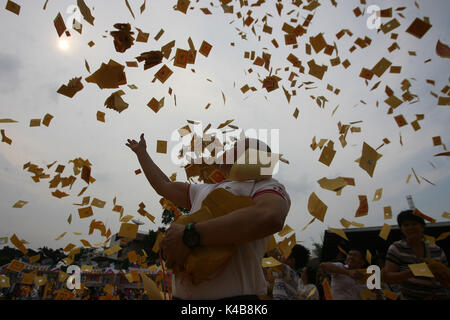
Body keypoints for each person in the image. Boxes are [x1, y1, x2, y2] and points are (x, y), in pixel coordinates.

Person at [126, 134, 291, 299]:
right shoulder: (204, 189)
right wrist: (142, 154)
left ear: (252, 156)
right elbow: (164, 185)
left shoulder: (265, 185)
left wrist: (190, 235)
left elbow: (270, 216)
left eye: (235, 146)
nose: (228, 148)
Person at [383, 210, 449, 300]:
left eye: (414, 224)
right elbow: (388, 278)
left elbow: (446, 279)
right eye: (406, 225)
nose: (410, 228)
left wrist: (440, 273)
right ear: (401, 229)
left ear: (422, 227)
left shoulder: (437, 250)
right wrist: (414, 271)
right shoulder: (396, 248)